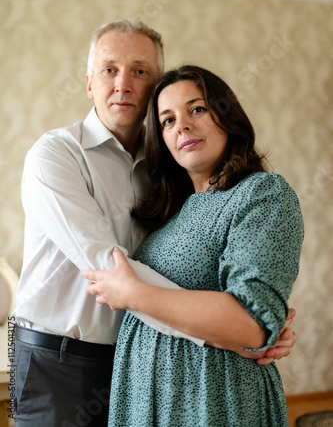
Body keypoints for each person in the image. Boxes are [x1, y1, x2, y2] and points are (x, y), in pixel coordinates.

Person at [14, 20, 296, 427]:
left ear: (153, 88)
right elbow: (111, 271)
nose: (124, 83)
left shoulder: (172, 171)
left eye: (140, 71)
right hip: (61, 360)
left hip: (140, 364)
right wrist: (240, 327)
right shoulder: (56, 155)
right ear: (89, 83)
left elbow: (217, 264)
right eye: (110, 69)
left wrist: (254, 317)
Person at [82, 65, 304, 427]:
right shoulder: (173, 210)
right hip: (146, 396)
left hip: (212, 397)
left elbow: (253, 325)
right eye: (167, 121)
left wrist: (133, 294)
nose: (181, 125)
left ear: (226, 115)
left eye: (196, 109)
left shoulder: (261, 193)